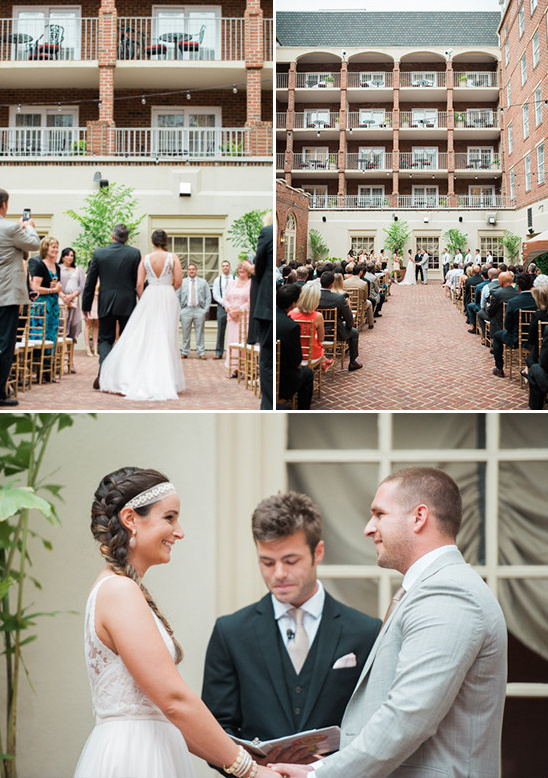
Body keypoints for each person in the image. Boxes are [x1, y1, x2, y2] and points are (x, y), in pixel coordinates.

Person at [271, 467, 507, 778]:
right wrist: (319, 767)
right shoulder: (429, 589)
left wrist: (319, 777)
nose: (369, 528)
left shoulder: (449, 592)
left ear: (419, 517)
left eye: (379, 514)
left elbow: (409, 716)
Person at [74, 467, 278, 778]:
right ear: (130, 520)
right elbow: (173, 701)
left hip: (153, 749)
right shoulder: (119, 591)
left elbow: (170, 711)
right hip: (135, 759)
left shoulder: (123, 589)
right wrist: (248, 771)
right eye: (169, 518)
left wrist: (245, 757)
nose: (179, 531)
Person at [202, 491, 381, 766]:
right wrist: (255, 771)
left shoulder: (366, 632)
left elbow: (376, 726)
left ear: (317, 552)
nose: (279, 574)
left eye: (290, 560)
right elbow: (214, 730)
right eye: (267, 562)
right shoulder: (231, 633)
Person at [98, 230, 185, 401]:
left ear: (152, 242)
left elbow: (139, 284)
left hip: (150, 295)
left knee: (146, 335)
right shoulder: (173, 257)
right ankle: (166, 378)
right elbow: (179, 281)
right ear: (165, 241)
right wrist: (168, 289)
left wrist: (143, 296)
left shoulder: (145, 258)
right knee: (166, 335)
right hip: (167, 296)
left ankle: (138, 374)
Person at [82, 224, 141, 389]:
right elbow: (138, 281)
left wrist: (85, 305)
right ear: (127, 238)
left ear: (112, 236)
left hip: (106, 302)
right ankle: (123, 376)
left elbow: (90, 282)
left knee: (105, 339)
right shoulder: (134, 253)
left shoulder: (99, 253)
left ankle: (104, 372)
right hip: (127, 303)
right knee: (126, 340)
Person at [0, 188, 41, 406]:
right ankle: (0, 392)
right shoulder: (11, 227)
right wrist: (30, 228)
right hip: (7, 295)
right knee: (6, 343)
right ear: (4, 205)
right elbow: (34, 245)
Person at [29, 236, 63, 382]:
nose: (55, 250)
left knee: (52, 336)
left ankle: (48, 371)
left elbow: (56, 286)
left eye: (56, 247)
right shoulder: (39, 264)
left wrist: (58, 289)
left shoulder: (58, 267)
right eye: (52, 247)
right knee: (39, 335)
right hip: (41, 306)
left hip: (54, 305)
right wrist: (52, 291)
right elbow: (35, 287)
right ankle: (37, 370)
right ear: (45, 248)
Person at [492, 273, 537, 378]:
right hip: (536, 339)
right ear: (531, 285)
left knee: (496, 336)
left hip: (517, 339)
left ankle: (499, 368)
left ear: (518, 286)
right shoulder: (538, 300)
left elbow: (507, 325)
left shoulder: (513, 302)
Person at [276, 284, 313, 409]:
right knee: (308, 373)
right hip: (283, 381)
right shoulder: (291, 327)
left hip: (267, 375)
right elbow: (297, 362)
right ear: (293, 304)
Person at [250, 217, 274, 410]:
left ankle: (268, 404)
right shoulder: (270, 233)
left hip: (266, 303)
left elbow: (258, 270)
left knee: (267, 358)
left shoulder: (267, 232)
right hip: (271, 305)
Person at [318, 272, 362, 372]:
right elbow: (349, 317)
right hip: (336, 333)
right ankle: (353, 362)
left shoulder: (314, 296)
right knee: (354, 333)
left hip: (316, 333)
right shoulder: (338, 298)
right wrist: (349, 326)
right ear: (332, 284)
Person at [288, 282, 333, 372]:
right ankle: (324, 361)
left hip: (293, 354)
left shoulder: (290, 313)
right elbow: (321, 339)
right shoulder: (318, 316)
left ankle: (324, 361)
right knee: (318, 345)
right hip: (311, 355)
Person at [178, 263, 212, 359]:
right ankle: (185, 351)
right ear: (187, 271)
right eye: (189, 269)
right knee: (185, 332)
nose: (191, 271)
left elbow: (208, 297)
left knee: (200, 332)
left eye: (193, 269)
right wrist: (181, 310)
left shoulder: (203, 282)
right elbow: (177, 296)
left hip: (199, 310)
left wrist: (205, 310)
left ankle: (201, 352)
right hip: (186, 310)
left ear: (196, 271)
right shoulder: (182, 282)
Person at [224, 263, 252, 376]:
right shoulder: (232, 283)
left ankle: (245, 368)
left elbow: (250, 302)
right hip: (232, 318)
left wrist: (237, 311)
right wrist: (230, 310)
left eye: (244, 268)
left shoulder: (251, 284)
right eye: (240, 268)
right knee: (232, 342)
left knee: (243, 341)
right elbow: (225, 298)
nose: (242, 270)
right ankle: (234, 368)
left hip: (244, 318)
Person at [58, 247, 86, 346]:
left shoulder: (78, 270)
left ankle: (70, 359)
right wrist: (62, 295)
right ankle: (59, 356)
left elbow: (82, 285)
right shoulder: (58, 268)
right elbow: (55, 282)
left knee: (72, 328)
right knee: (60, 326)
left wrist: (72, 296)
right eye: (67, 255)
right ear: (62, 256)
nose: (70, 257)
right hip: (60, 299)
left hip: (73, 301)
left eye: (72, 255)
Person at [212, 261, 233, 360]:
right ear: (221, 267)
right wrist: (224, 303)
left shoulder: (235, 279)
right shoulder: (217, 280)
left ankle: (232, 353)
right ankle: (219, 352)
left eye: (227, 266)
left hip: (233, 307)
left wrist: (231, 305)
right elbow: (215, 295)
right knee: (221, 330)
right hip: (222, 306)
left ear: (229, 267)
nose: (225, 267)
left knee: (233, 330)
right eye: (223, 266)